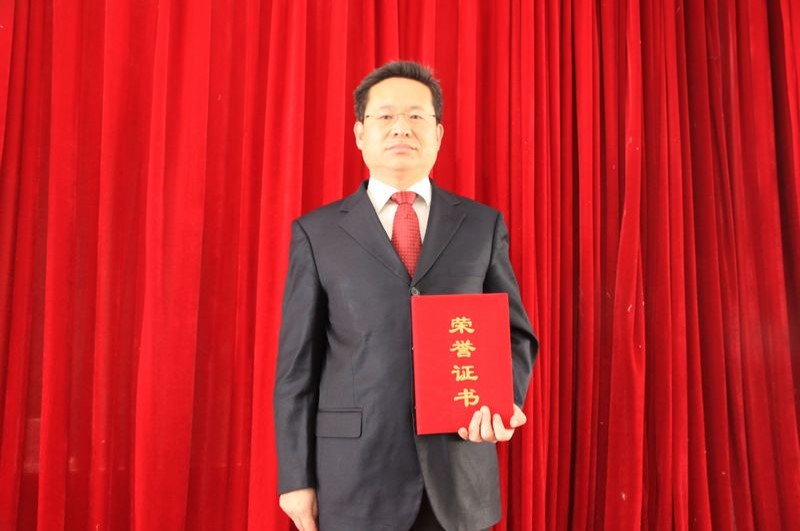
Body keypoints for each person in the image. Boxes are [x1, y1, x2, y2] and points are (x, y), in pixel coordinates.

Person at [274, 61, 539, 531]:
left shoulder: (481, 226)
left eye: (417, 116)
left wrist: (502, 401)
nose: (402, 128)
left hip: (458, 470)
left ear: (438, 134)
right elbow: (297, 368)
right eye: (385, 116)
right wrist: (296, 478)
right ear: (360, 133)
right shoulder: (317, 234)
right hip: (354, 477)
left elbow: (515, 335)